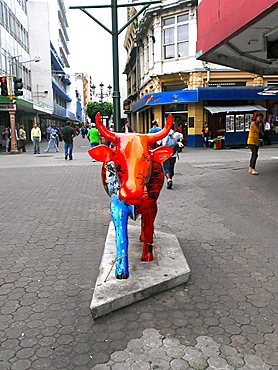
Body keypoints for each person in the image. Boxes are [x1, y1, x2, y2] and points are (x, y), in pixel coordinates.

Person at [160, 124, 183, 189]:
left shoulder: (163, 135)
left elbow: (158, 143)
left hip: (165, 154)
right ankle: (171, 178)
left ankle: (169, 179)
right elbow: (181, 137)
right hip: (173, 154)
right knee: (171, 168)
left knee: (166, 168)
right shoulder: (177, 134)